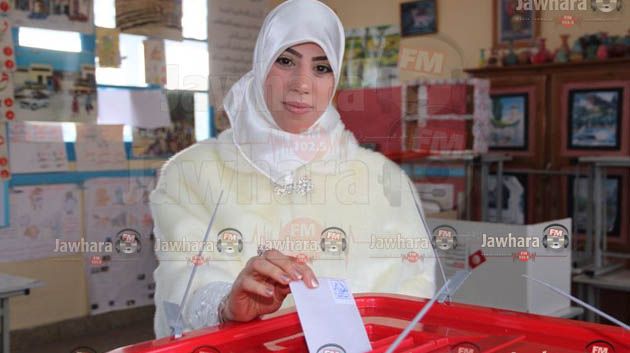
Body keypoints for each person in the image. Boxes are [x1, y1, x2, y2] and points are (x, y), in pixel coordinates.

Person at [150, 0, 435, 339]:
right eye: (285, 61)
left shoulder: (382, 181)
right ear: (261, 63)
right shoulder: (191, 175)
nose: (302, 84)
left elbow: (413, 301)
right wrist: (226, 305)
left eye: (321, 67)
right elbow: (180, 287)